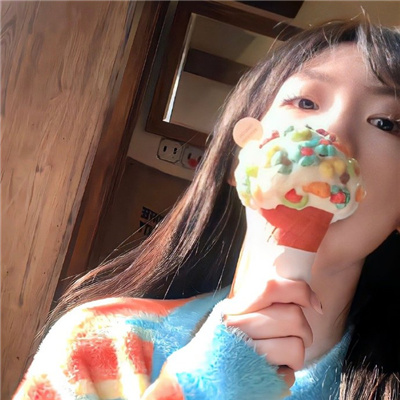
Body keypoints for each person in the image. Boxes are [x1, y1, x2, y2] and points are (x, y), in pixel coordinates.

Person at [13, 19, 400, 400]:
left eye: (385, 122)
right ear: (238, 160)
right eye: (305, 102)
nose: (333, 133)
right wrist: (212, 383)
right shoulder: (103, 342)